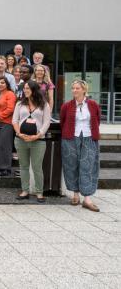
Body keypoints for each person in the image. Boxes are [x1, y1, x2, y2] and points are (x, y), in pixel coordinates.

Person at [60, 80, 101, 212]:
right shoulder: (67, 106)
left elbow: (97, 119)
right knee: (71, 165)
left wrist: (92, 134)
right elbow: (63, 121)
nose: (74, 91)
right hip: (70, 139)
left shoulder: (93, 105)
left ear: (84, 90)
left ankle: (87, 198)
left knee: (88, 166)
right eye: (73, 88)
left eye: (77, 88)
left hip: (89, 138)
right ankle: (75, 195)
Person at [13, 80, 51, 203]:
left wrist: (38, 135)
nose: (25, 90)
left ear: (34, 89)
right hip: (21, 139)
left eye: (28, 88)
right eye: (24, 88)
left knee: (37, 167)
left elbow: (46, 122)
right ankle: (25, 191)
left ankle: (39, 192)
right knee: (23, 166)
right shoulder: (19, 104)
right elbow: (14, 120)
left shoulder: (44, 105)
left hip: (38, 141)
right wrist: (19, 133)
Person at [0, 76, 17, 177]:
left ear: (7, 84)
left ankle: (6, 169)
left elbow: (10, 109)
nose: (0, 84)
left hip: (6, 123)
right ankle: (0, 167)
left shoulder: (10, 94)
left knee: (5, 146)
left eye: (2, 83)